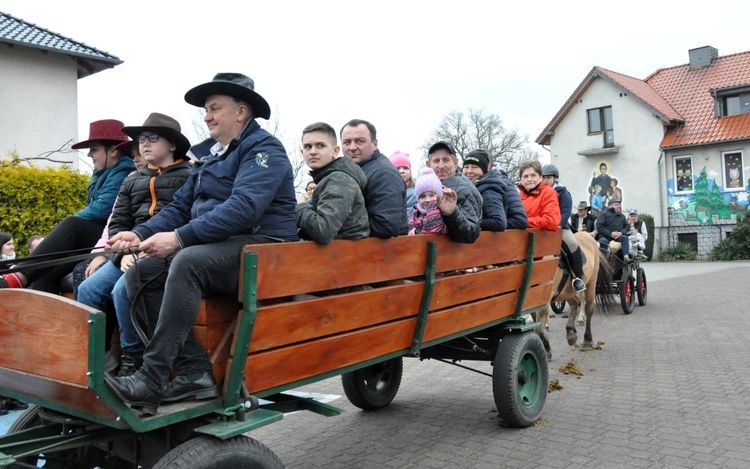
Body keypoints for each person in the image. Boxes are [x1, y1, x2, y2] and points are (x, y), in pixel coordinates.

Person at [104, 73, 298, 415]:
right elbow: (179, 207)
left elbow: (244, 209)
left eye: (213, 108)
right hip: (223, 247)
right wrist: (140, 234)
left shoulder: (264, 149)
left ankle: (150, 378)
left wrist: (179, 239)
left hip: (265, 249)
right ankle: (195, 372)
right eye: (206, 110)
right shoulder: (210, 157)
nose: (206, 116)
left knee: (187, 260)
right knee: (138, 275)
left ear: (240, 113)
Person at [77, 113, 192, 377]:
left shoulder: (190, 176)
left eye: (153, 138)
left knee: (123, 290)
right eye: (140, 139)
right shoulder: (131, 180)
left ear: (173, 145)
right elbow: (118, 223)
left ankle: (134, 357)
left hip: (166, 252)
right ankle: (100, 359)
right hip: (128, 252)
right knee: (88, 289)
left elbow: (187, 219)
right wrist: (120, 255)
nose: (144, 144)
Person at [0, 120, 135, 292]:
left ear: (114, 150)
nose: (89, 155)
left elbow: (102, 209)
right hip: (100, 237)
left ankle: (19, 273)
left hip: (113, 236)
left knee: (72, 225)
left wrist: (64, 229)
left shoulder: (124, 172)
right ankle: (43, 316)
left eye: (94, 149)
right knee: (45, 270)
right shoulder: (103, 173)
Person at [296, 122, 369, 244]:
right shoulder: (327, 178)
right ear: (302, 152)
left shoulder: (339, 180)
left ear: (335, 151)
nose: (313, 151)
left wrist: (299, 205)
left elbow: (323, 231)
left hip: (345, 257)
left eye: (320, 145)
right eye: (308, 146)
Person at [340, 119, 407, 238]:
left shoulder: (384, 173)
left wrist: (335, 224)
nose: (352, 147)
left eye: (360, 141)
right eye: (347, 142)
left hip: (381, 253)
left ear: (375, 144)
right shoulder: (354, 170)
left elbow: (385, 226)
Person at [425, 141, 482, 243]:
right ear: (428, 165)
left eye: (446, 160)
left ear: (455, 163)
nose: (441, 166)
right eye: (436, 161)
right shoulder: (428, 186)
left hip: (450, 255)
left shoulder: (464, 189)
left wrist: (451, 213)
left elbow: (471, 234)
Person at [542, 164, 585, 292]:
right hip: (542, 227)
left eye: (548, 178)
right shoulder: (540, 192)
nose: (545, 180)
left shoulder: (563, 193)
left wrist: (556, 225)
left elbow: (565, 213)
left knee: (572, 244)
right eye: (543, 177)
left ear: (555, 178)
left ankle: (578, 278)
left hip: (559, 227)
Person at [461, 149, 507, 232]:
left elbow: (499, 222)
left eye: (475, 167)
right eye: (466, 167)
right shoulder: (472, 187)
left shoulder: (489, 191)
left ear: (484, 170)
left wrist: (469, 222)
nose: (469, 171)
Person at [518, 160, 561, 232]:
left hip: (540, 240)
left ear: (541, 177)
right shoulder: (517, 197)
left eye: (533, 175)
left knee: (572, 243)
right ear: (521, 180)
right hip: (517, 238)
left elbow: (551, 221)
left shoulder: (548, 193)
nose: (529, 179)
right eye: (525, 176)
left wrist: (523, 221)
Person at [408, 168, 447, 235]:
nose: (427, 200)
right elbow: (410, 229)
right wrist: (413, 232)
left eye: (431, 195)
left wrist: (432, 209)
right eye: (422, 196)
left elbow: (436, 230)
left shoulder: (444, 211)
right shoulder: (416, 213)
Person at [388, 151, 417, 217]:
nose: (402, 171)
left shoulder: (416, 192)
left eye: (405, 168)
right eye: (398, 168)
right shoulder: (388, 192)